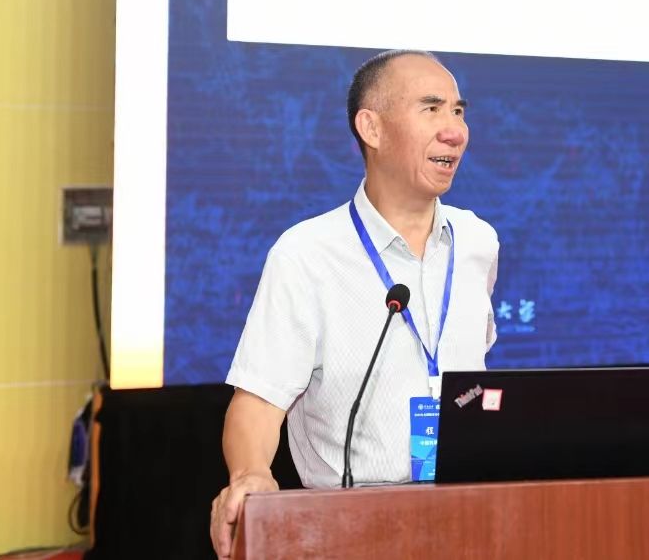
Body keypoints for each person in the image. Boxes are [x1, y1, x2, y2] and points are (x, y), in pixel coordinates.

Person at [209, 50, 499, 558]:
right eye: (431, 109)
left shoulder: (479, 242)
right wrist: (251, 473)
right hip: (348, 532)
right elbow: (258, 401)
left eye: (458, 111)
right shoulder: (307, 254)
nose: (455, 131)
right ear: (372, 127)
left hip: (471, 523)